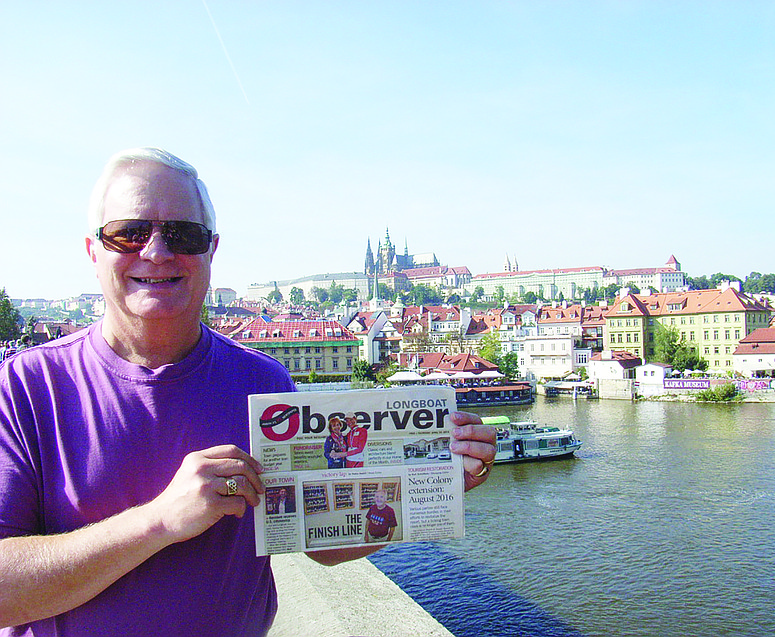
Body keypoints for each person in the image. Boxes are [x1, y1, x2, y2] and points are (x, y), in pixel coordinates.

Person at [0, 147, 497, 636]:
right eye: (128, 234)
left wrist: (436, 485)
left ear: (211, 250)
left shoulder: (264, 386)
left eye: (183, 234)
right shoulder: (23, 387)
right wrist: (158, 522)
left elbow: (322, 542)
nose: (156, 251)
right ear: (93, 250)